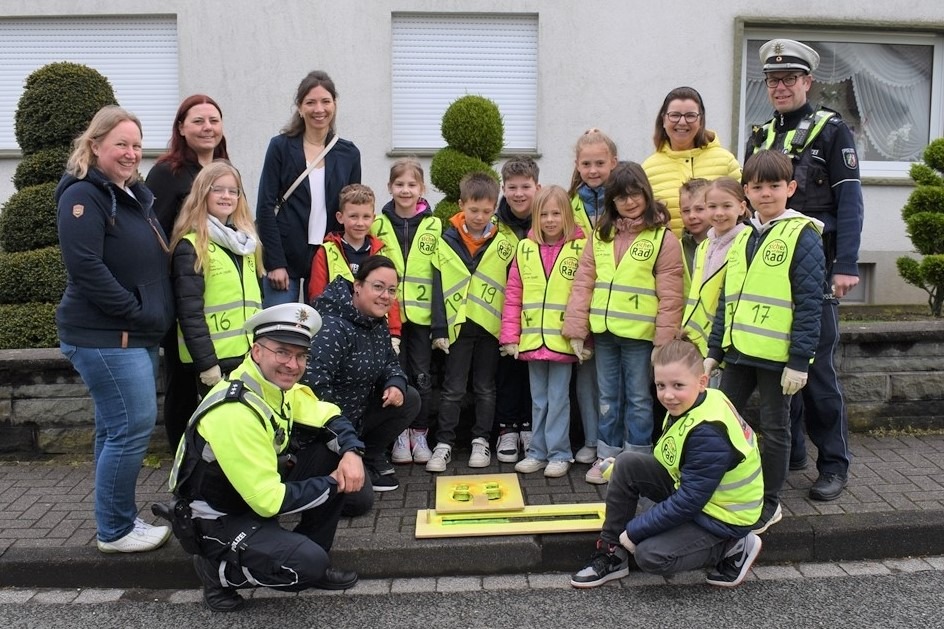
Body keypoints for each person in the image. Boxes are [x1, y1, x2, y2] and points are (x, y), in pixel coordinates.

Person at [168, 303, 364, 612]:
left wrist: (351, 452)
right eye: (282, 352)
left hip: (248, 495)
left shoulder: (273, 386)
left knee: (343, 471)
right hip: (219, 516)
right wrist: (332, 484)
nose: (292, 364)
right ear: (257, 351)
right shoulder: (235, 410)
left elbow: (325, 412)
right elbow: (268, 501)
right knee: (306, 564)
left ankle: (304, 548)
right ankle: (216, 574)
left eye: (301, 356)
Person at [746, 39, 864, 502]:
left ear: (807, 81)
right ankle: (792, 453)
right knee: (778, 366)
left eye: (789, 79)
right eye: (773, 80)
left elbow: (850, 200)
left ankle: (834, 465)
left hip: (818, 269)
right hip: (769, 273)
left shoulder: (833, 131)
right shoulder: (760, 136)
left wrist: (847, 265)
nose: (780, 87)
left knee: (816, 376)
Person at [56, 105, 174, 553]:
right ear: (95, 146)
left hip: (133, 334)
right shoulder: (83, 195)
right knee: (133, 426)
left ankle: (115, 522)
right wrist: (135, 311)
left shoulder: (130, 194)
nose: (130, 153)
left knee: (114, 429)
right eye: (121, 144)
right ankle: (116, 530)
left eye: (137, 145)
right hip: (106, 336)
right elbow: (85, 266)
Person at [570, 335, 764, 589]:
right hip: (699, 494)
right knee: (627, 464)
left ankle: (734, 546)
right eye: (661, 385)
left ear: (701, 382)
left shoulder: (708, 432)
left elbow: (689, 502)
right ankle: (612, 554)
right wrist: (621, 477)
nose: (668, 395)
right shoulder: (697, 401)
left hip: (722, 516)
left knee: (651, 555)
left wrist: (636, 530)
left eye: (677, 385)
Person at [705, 150, 826, 535]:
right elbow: (728, 300)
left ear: (790, 188)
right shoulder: (742, 237)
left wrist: (799, 360)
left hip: (777, 358)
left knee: (775, 430)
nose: (766, 194)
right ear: (746, 192)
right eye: (757, 187)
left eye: (774, 186)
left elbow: (809, 304)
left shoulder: (802, 233)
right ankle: (725, 488)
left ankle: (769, 502)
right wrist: (714, 352)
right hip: (738, 352)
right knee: (723, 421)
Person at [563, 162, 684, 484]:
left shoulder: (662, 238)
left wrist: (663, 341)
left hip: (640, 335)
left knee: (640, 398)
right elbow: (583, 282)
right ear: (611, 201)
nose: (629, 203)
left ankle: (637, 461)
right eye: (621, 197)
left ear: (646, 193)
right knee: (607, 397)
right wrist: (577, 330)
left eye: (635, 195)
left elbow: (671, 295)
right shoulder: (600, 236)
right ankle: (607, 456)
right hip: (604, 333)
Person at [146, 94, 230, 451]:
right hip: (182, 289)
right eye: (198, 120)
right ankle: (180, 452)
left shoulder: (224, 168)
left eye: (213, 120)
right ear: (181, 127)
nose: (207, 127)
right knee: (182, 376)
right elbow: (155, 233)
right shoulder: (168, 173)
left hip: (219, 291)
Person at [303, 256, 419, 498]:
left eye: (391, 290)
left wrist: (395, 384)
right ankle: (313, 470)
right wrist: (344, 439)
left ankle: (369, 455)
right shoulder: (332, 327)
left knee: (409, 397)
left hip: (357, 418)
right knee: (359, 499)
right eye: (378, 287)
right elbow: (314, 390)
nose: (385, 296)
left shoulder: (376, 321)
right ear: (357, 286)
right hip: (325, 431)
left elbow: (390, 363)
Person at [426, 173, 514, 472]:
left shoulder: (504, 244)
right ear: (462, 205)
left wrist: (509, 331)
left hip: (490, 329)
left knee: (486, 388)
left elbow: (511, 287)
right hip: (456, 328)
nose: (479, 217)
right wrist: (438, 329)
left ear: (494, 209)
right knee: (453, 389)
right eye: (473, 210)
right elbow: (438, 286)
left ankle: (481, 441)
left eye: (486, 211)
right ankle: (445, 443)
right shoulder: (445, 241)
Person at [256, 70, 361, 307]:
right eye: (310, 102)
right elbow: (264, 206)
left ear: (334, 104)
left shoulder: (349, 153)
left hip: (327, 257)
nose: (319, 109)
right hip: (284, 258)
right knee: (281, 332)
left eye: (326, 101)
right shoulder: (280, 147)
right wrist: (275, 262)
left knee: (324, 333)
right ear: (300, 107)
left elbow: (353, 209)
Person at [500, 185, 585, 478]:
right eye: (544, 214)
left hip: (562, 340)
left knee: (559, 397)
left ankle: (560, 453)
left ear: (567, 216)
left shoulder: (580, 247)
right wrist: (510, 336)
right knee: (538, 398)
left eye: (556, 213)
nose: (550, 220)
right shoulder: (524, 248)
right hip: (533, 338)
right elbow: (514, 293)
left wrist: (581, 334)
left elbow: (584, 294)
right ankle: (537, 451)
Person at [170, 160, 261, 395]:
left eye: (233, 191)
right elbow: (190, 314)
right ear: (203, 193)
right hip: (214, 363)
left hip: (248, 356)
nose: (226, 196)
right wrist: (207, 363)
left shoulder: (246, 245)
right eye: (217, 189)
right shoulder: (191, 246)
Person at [372, 158, 440, 466]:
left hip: (423, 316)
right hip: (389, 317)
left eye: (412, 184)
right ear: (389, 187)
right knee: (395, 374)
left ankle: (420, 433)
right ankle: (398, 433)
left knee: (423, 376)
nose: (405, 190)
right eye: (399, 184)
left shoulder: (434, 225)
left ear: (422, 188)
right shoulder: (378, 224)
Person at [566, 128, 619, 467]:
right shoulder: (569, 204)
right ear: (577, 165)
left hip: (616, 300)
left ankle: (611, 440)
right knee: (586, 376)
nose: (594, 170)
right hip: (580, 298)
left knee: (614, 379)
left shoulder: (626, 199)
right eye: (587, 163)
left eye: (600, 162)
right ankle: (589, 439)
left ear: (614, 162)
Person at [642, 86, 742, 237]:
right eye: (674, 115)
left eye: (690, 116)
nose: (682, 122)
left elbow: (745, 212)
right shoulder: (648, 169)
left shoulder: (725, 161)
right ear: (663, 120)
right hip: (669, 258)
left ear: (701, 120)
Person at [306, 183, 402, 341]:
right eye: (353, 216)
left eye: (366, 217)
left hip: (377, 331)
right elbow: (317, 295)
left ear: (373, 218)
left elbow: (392, 294)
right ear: (340, 217)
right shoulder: (326, 251)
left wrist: (394, 332)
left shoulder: (381, 252)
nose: (360, 223)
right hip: (338, 332)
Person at [493, 156, 542, 463]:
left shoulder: (548, 219)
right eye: (513, 187)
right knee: (507, 371)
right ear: (503, 188)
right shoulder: (494, 224)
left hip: (540, 312)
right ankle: (507, 428)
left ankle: (529, 426)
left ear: (538, 187)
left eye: (526, 186)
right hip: (502, 311)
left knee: (534, 371)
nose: (520, 193)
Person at [682, 177, 751, 358]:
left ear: (741, 208)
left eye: (727, 206)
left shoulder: (745, 243)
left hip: (729, 340)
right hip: (700, 340)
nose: (719, 213)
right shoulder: (704, 246)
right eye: (712, 207)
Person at [678, 178, 710, 294]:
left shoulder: (726, 245)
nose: (692, 216)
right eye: (686, 211)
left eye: (699, 209)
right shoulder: (677, 247)